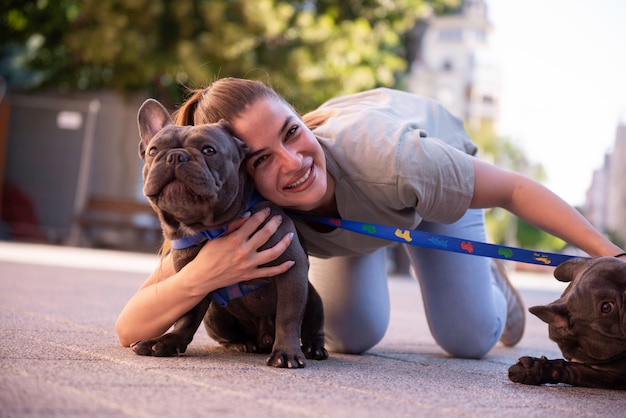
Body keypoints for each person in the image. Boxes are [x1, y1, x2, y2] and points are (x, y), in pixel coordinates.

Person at [116, 77, 625, 359]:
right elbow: (129, 327)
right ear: (239, 179)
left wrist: (613, 256)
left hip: (423, 193)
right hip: (357, 222)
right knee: (350, 337)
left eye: (292, 133)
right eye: (262, 159)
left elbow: (515, 188)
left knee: (466, 339)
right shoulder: (233, 210)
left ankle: (493, 288)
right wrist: (209, 272)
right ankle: (385, 249)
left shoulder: (394, 158)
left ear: (300, 119)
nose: (291, 162)